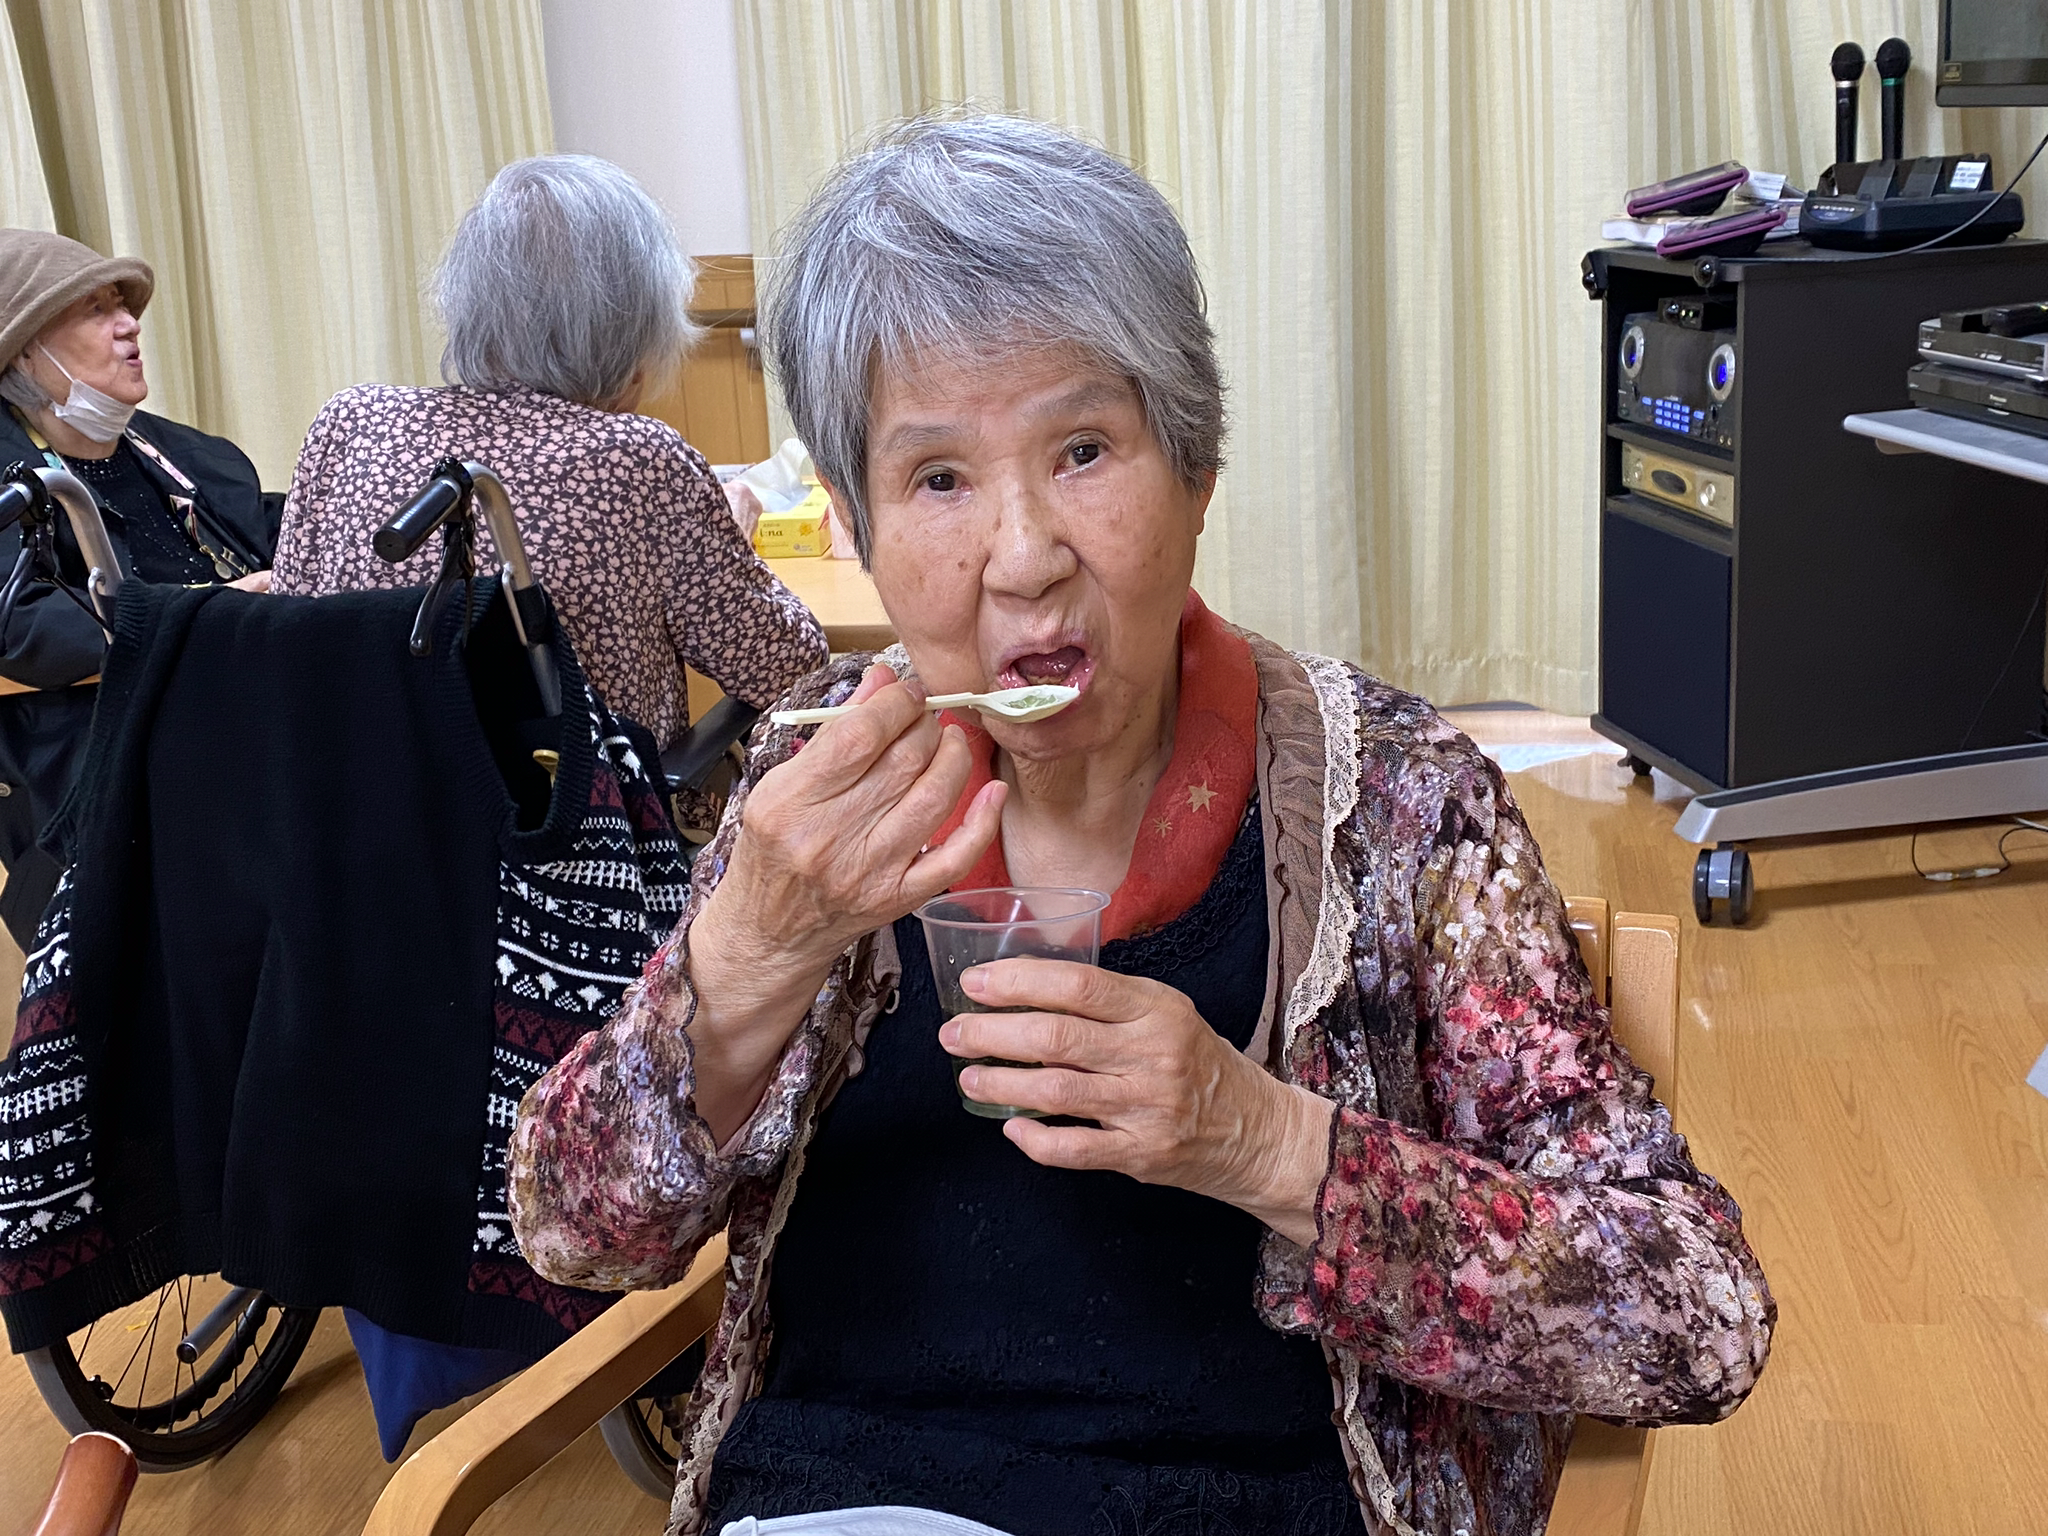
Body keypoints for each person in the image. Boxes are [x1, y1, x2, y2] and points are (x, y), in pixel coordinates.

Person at [507, 116, 1775, 1536]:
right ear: (856, 529)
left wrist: (1263, 1141)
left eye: (1083, 450)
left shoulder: (1398, 800)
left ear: (1195, 472)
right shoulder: (816, 787)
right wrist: (746, 959)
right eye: (937, 479)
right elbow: (573, 1229)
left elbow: (1695, 1314)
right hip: (845, 1501)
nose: (1023, 555)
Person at [272, 155, 827, 761]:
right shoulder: (637, 461)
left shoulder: (348, 423)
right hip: (577, 816)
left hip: (356, 808)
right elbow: (787, 669)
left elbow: (285, 643)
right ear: (635, 331)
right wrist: (730, 538)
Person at [0, 229, 276, 949]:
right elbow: (23, 626)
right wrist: (208, 614)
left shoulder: (190, 459)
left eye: (123, 305)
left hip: (250, 741)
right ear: (24, 352)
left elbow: (274, 537)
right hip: (99, 779)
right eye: (95, 310)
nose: (129, 324)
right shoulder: (11, 486)